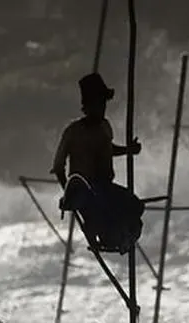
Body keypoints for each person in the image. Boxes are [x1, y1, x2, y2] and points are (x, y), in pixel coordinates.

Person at [50, 72, 144, 254]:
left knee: (134, 206)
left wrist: (128, 150)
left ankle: (115, 239)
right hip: (83, 190)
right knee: (99, 206)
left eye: (103, 104)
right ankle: (96, 229)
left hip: (104, 186)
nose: (101, 109)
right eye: (97, 104)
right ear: (87, 106)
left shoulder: (104, 127)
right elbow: (58, 166)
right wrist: (68, 192)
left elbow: (109, 149)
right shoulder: (73, 131)